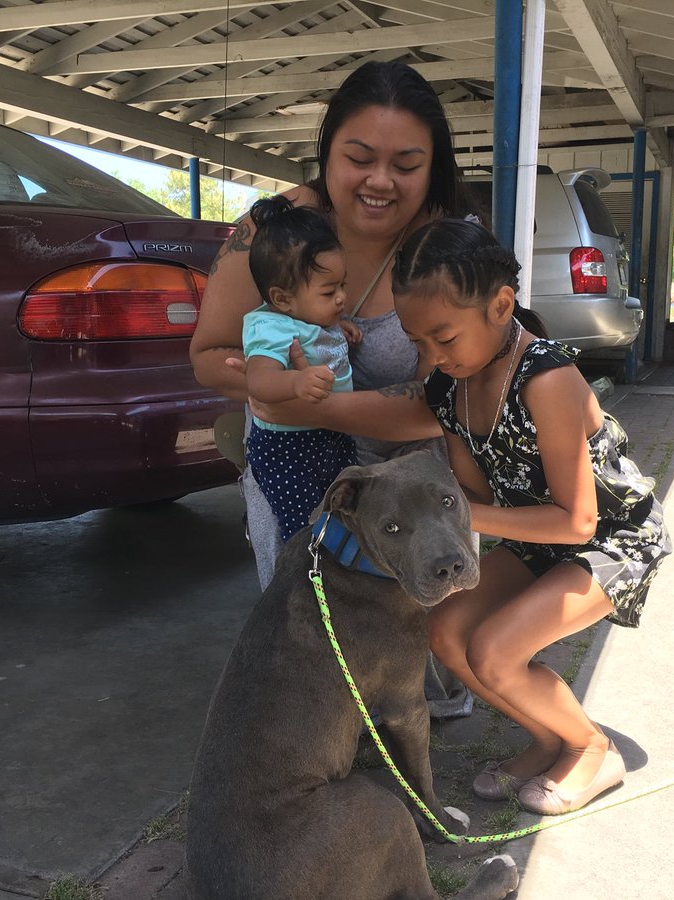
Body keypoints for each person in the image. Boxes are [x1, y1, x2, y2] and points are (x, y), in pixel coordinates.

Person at [190, 59, 475, 717]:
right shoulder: (272, 230)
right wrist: (263, 383)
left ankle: (431, 695)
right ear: (326, 155)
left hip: (416, 468)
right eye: (359, 158)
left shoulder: (454, 243)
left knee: (424, 647)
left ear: (434, 168)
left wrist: (320, 399)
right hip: (296, 456)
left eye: (406, 164)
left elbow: (446, 401)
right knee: (312, 610)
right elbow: (208, 354)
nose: (380, 181)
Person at [392, 218, 672, 815]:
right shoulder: (451, 387)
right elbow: (478, 496)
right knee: (444, 632)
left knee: (494, 649)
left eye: (444, 337)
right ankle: (550, 738)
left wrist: (465, 515)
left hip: (612, 541)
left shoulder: (546, 378)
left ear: (500, 305)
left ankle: (594, 749)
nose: (433, 357)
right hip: (537, 540)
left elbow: (576, 522)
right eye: (418, 343)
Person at [242, 196, 361, 542]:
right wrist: (296, 382)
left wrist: (341, 326)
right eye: (329, 292)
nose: (340, 298)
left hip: (331, 434)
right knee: (305, 524)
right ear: (282, 299)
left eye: (343, 285)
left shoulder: (311, 317)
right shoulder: (270, 327)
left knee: (344, 507)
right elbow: (259, 380)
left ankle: (337, 562)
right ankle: (309, 572)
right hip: (288, 449)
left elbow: (320, 335)